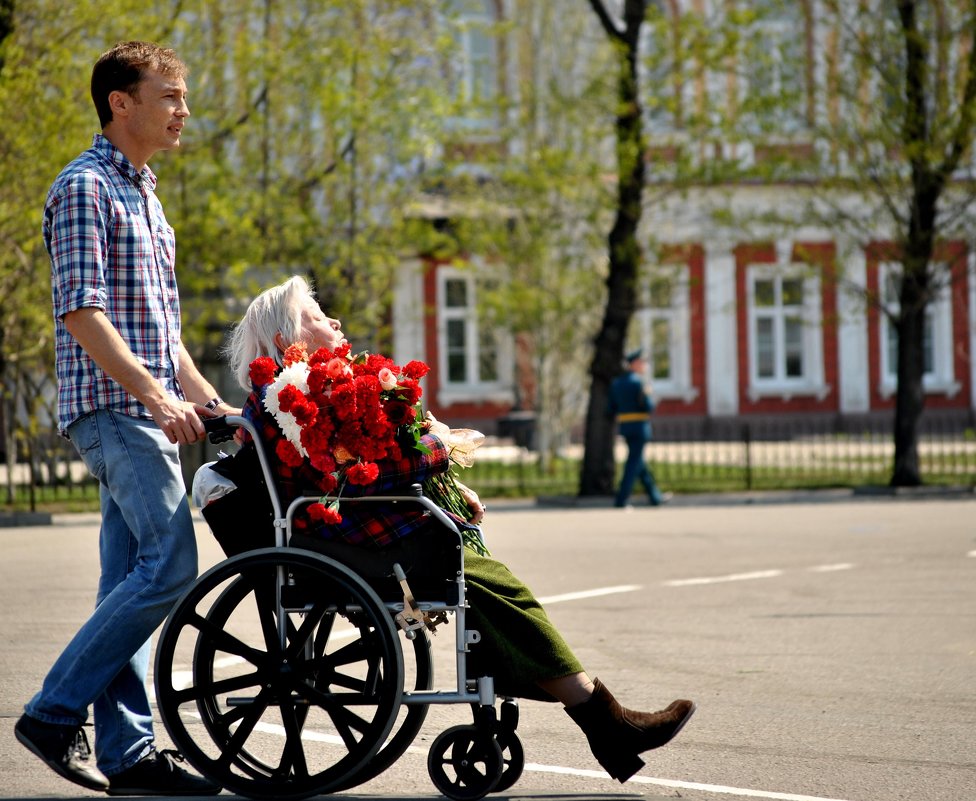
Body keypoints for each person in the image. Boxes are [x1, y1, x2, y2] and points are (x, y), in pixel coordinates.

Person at [216, 276, 695, 783]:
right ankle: (604, 720)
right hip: (357, 541)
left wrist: (436, 469)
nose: (332, 320)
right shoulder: (293, 394)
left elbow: (368, 465)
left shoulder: (304, 386)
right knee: (500, 589)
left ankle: (599, 719)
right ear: (288, 333)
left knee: (493, 587)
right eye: (316, 313)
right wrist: (440, 444)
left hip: (370, 529)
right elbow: (363, 472)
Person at [15, 42, 234, 796]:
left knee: (127, 581)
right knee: (172, 566)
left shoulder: (144, 193)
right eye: (169, 95)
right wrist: (153, 396)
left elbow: (159, 326)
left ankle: (129, 757)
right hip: (114, 409)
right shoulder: (84, 188)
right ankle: (52, 711)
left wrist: (205, 398)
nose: (183, 110)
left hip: (145, 405)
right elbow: (82, 311)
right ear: (121, 103)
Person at [607, 350, 671, 508]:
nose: (643, 366)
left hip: (625, 427)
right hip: (639, 427)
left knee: (638, 462)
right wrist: (651, 397)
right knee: (633, 463)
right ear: (634, 364)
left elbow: (610, 409)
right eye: (641, 363)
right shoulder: (638, 383)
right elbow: (648, 407)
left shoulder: (617, 383)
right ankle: (621, 499)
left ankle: (655, 496)